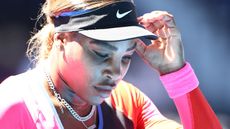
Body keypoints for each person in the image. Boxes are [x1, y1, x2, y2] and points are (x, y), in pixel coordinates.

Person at [0, 0, 222, 129]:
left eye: (126, 57)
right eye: (101, 54)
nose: (115, 72)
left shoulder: (127, 102)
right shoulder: (14, 105)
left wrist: (176, 73)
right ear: (61, 39)